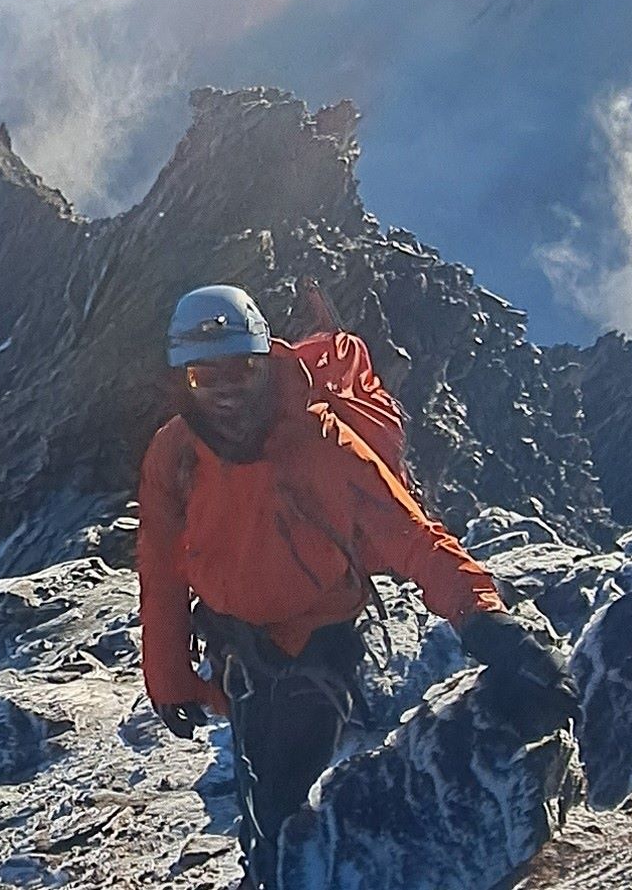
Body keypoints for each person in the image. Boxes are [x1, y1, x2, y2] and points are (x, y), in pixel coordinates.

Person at [137, 284, 571, 888]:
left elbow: (412, 537)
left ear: (266, 362)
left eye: (239, 369)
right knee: (265, 796)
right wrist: (168, 676)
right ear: (181, 382)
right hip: (238, 646)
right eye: (204, 377)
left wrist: (486, 621)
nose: (226, 393)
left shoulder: (324, 444)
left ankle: (278, 869)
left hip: (319, 641)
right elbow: (159, 564)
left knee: (283, 797)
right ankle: (271, 867)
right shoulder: (173, 453)